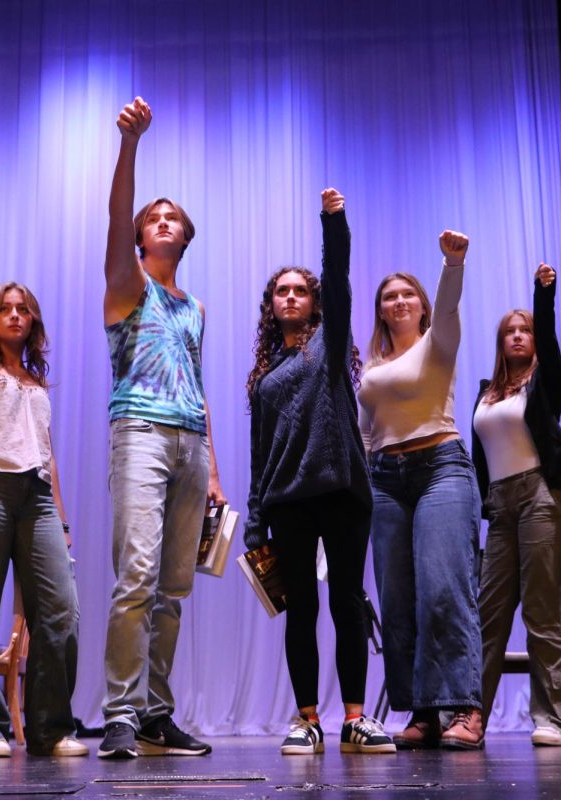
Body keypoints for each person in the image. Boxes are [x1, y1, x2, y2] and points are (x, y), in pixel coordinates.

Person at [243, 188, 394, 756]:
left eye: (299, 290)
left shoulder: (329, 346)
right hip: (287, 504)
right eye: (281, 291)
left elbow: (340, 276)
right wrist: (256, 525)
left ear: (313, 301)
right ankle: (306, 719)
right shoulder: (262, 377)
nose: (290, 297)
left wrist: (334, 223)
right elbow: (260, 459)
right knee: (300, 611)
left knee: (347, 603)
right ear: (271, 304)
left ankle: (355, 719)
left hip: (343, 495)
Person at [99, 97, 225, 759]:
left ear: (185, 235)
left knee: (173, 587)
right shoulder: (127, 285)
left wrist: (216, 473)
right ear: (145, 238)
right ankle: (118, 711)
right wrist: (131, 146)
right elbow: (118, 218)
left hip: (190, 444)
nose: (164, 221)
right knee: (138, 575)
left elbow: (197, 384)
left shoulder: (195, 306)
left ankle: (154, 712)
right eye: (156, 216)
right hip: (140, 434)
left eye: (174, 215)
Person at [0, 217, 85, 758]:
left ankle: (50, 727)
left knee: (61, 612)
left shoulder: (34, 381)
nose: (14, 314)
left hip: (35, 495)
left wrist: (63, 517)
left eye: (22, 309)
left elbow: (45, 453)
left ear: (33, 322)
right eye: (5, 308)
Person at [357, 231, 485, 750]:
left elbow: (450, 304)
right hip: (384, 480)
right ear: (382, 311)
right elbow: (368, 431)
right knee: (398, 599)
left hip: (441, 469)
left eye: (408, 293)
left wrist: (451, 264)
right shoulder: (372, 368)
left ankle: (465, 709)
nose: (399, 301)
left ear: (422, 305)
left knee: (443, 588)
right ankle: (424, 713)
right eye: (390, 296)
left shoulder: (439, 342)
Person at [471, 263, 561, 747]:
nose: (517, 337)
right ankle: (470, 717)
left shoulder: (545, 382)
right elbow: (480, 460)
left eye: (525, 331)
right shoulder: (486, 393)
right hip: (500, 505)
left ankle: (555, 719)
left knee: (541, 611)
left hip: (540, 494)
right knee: (488, 614)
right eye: (509, 332)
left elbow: (552, 348)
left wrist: (543, 297)